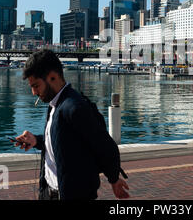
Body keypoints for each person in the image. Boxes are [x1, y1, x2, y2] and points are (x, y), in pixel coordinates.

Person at [14, 49, 130, 200]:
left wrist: (114, 179)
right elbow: (64, 142)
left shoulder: (74, 108)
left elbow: (105, 147)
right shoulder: (55, 104)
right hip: (49, 192)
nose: (33, 92)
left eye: (36, 86)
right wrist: (36, 141)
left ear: (52, 77)